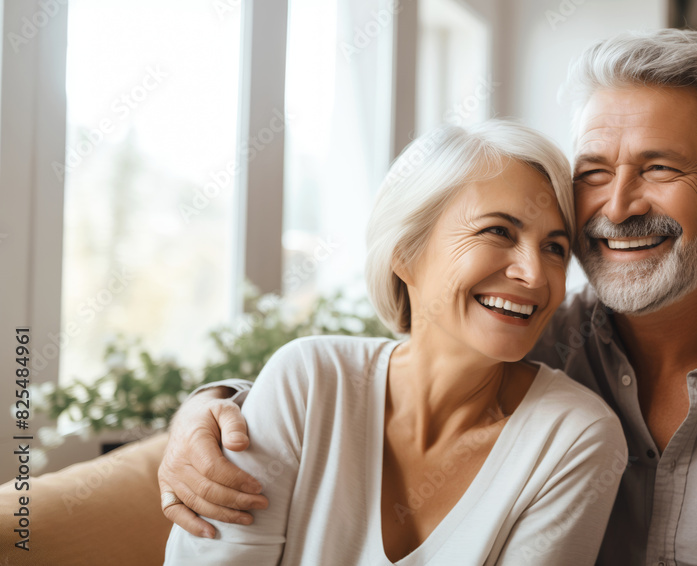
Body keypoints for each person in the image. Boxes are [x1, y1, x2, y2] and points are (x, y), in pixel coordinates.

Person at [160, 30, 697, 565]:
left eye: (659, 168)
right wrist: (216, 409)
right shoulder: (519, 339)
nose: (616, 206)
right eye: (592, 172)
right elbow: (382, 373)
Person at [161, 120, 628, 565]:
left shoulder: (575, 436)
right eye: (498, 231)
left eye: (554, 248)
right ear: (406, 252)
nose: (533, 273)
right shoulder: (308, 379)